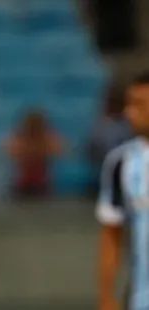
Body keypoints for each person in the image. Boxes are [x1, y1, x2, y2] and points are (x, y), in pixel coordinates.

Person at [97, 73, 149, 310]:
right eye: (128, 103)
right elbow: (112, 235)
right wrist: (107, 296)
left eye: (139, 104)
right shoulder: (121, 162)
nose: (129, 112)